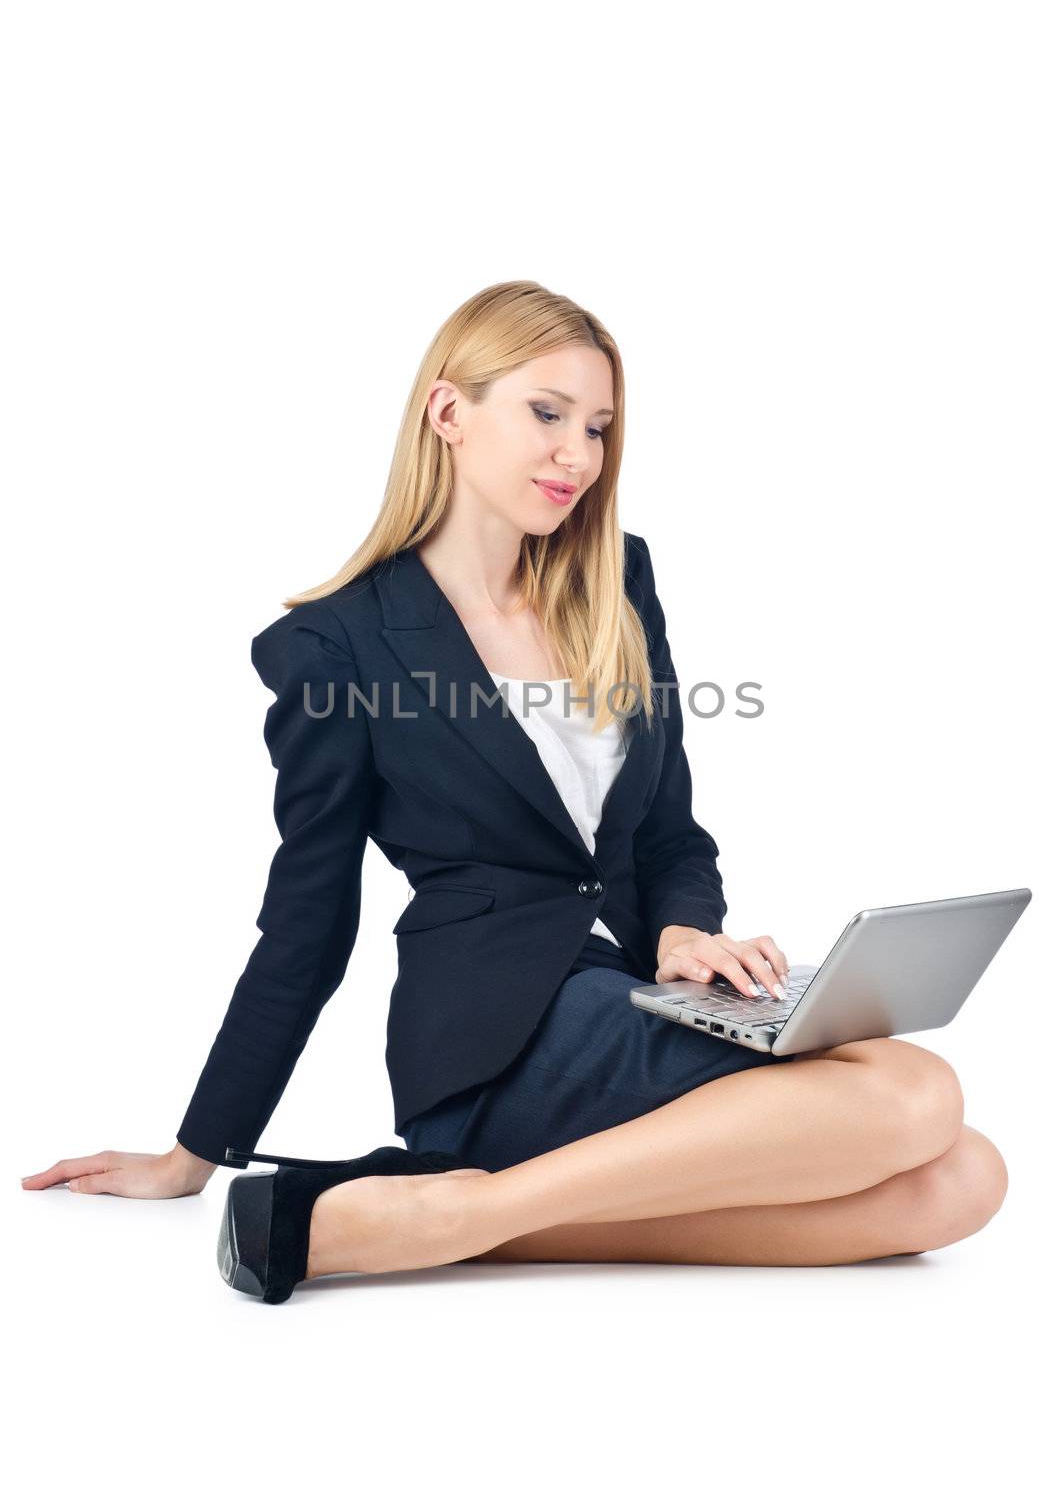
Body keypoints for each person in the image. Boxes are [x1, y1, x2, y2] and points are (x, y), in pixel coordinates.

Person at [22, 280, 1007, 1295]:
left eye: (596, 426)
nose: (577, 456)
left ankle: (440, 1218)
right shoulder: (337, 643)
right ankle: (468, 1197)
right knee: (914, 1093)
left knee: (961, 1184)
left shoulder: (615, 585)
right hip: (492, 1035)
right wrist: (198, 1149)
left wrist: (679, 935)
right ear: (449, 413)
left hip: (627, 987)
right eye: (546, 414)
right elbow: (308, 916)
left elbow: (669, 835)